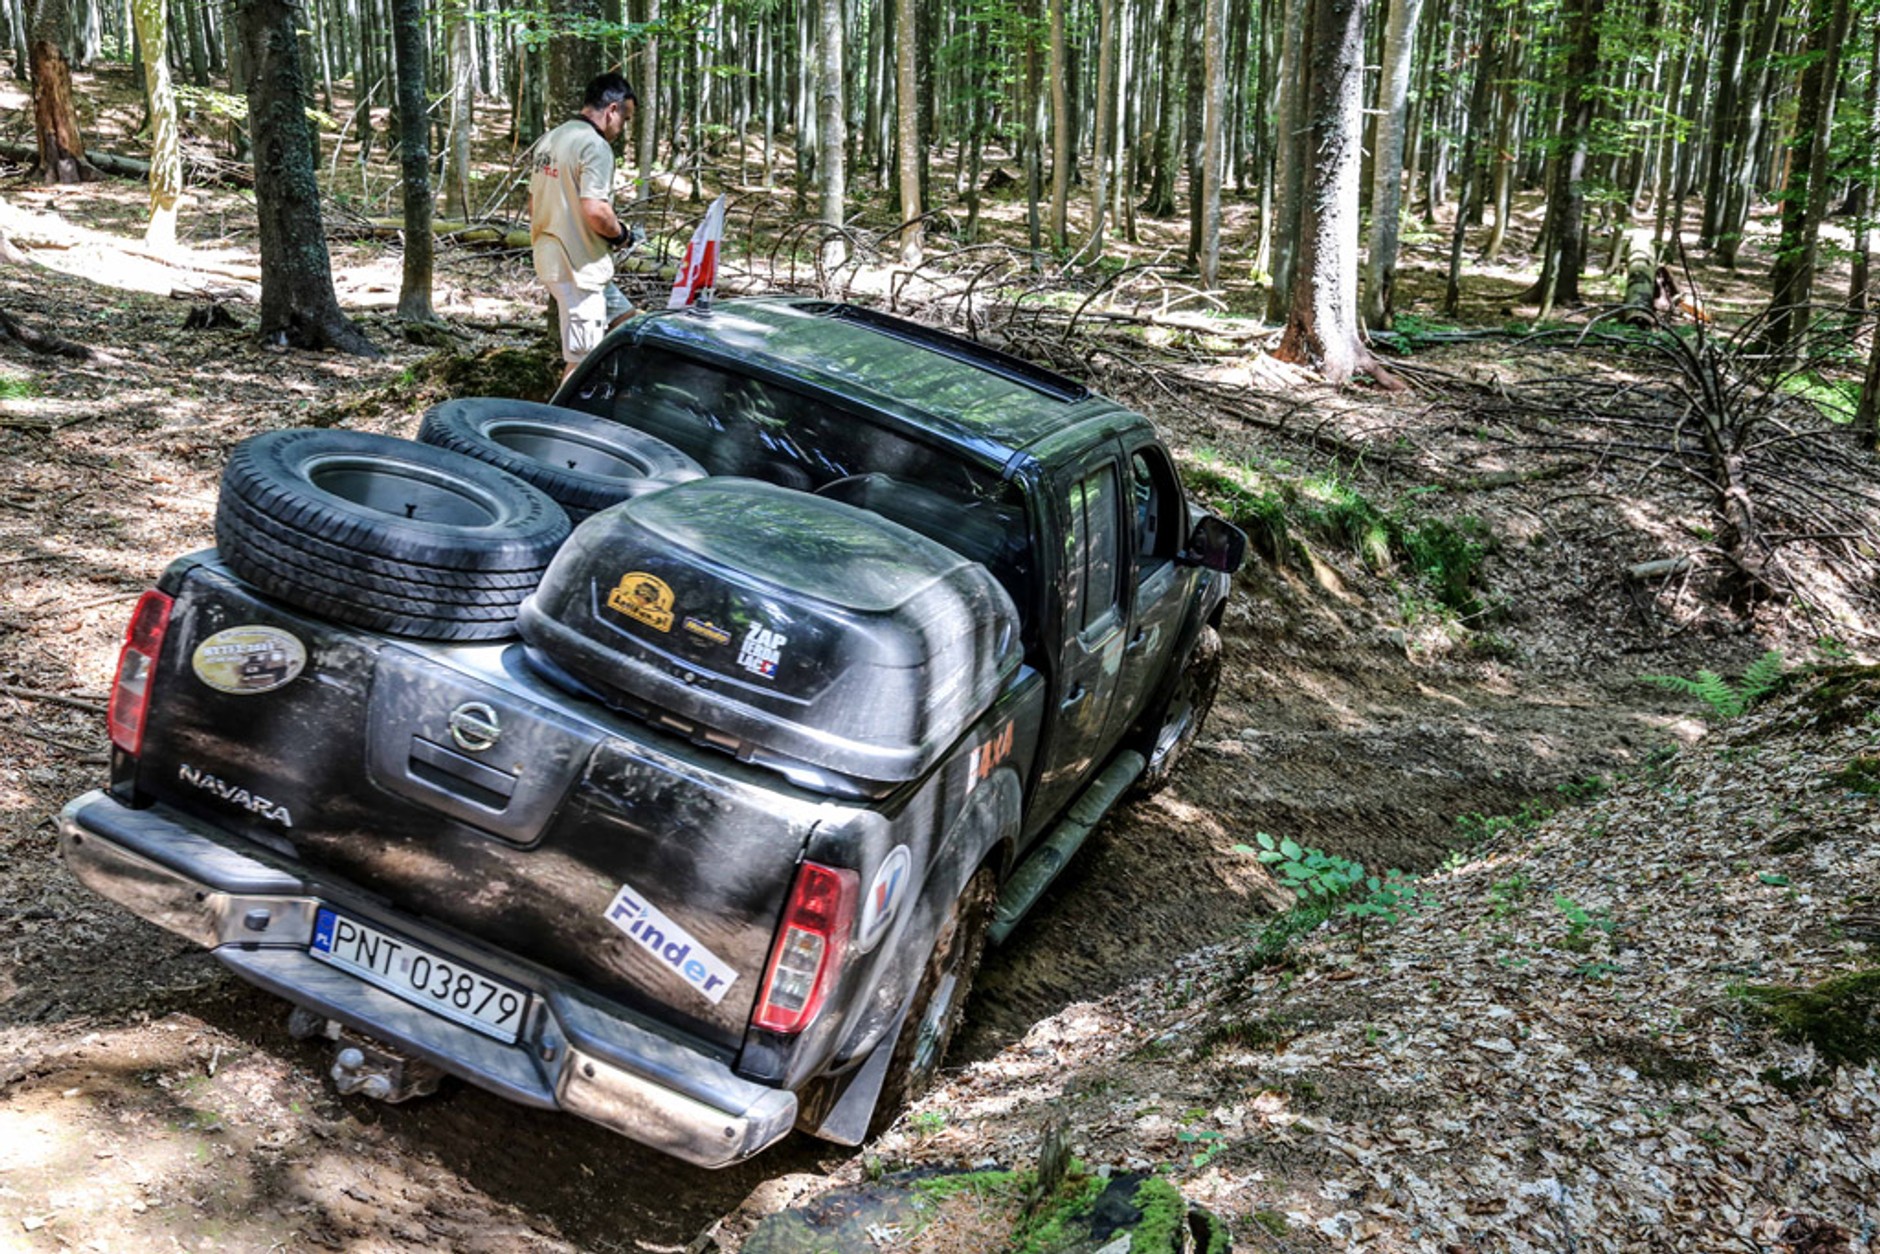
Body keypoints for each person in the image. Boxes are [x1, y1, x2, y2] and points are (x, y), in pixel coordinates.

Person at [530, 72, 638, 379]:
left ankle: (616, 390)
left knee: (626, 322)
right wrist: (621, 235)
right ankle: (562, 410)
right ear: (612, 110)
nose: (623, 128)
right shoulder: (595, 146)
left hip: (561, 258)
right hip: (578, 269)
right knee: (582, 363)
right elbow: (596, 210)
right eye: (625, 119)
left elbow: (533, 203)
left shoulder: (552, 138)